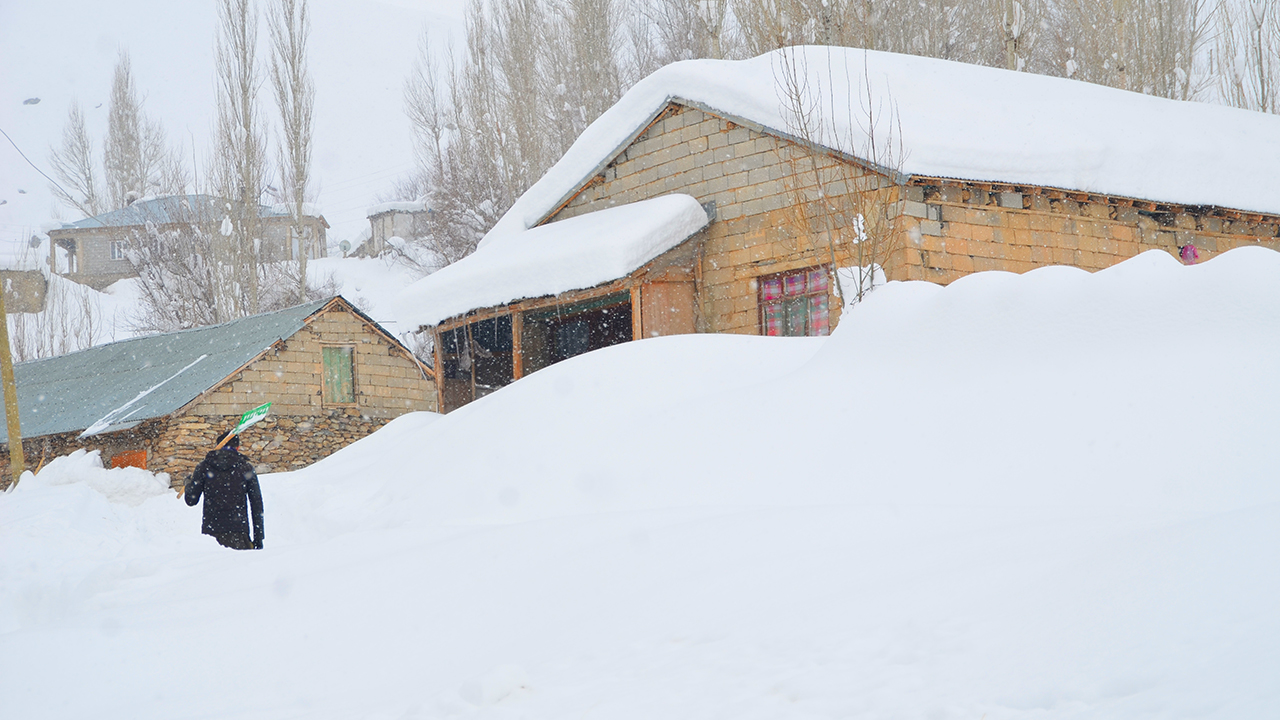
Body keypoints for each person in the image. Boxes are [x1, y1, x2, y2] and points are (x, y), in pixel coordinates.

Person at [184, 431, 264, 550]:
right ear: (238, 447)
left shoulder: (204, 467)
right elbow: (256, 504)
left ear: (218, 446)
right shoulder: (246, 468)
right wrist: (258, 537)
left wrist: (188, 484)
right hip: (238, 534)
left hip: (211, 536)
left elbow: (191, 500)